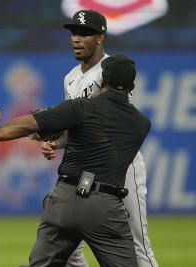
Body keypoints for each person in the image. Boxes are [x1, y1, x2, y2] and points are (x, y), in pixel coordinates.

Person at [0, 53, 150, 266]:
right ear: (132, 85)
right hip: (105, 205)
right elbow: (99, 132)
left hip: (64, 199)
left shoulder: (80, 107)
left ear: (102, 80)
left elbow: (28, 125)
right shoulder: (141, 124)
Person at [41, 10, 158, 267]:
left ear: (101, 38)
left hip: (120, 168)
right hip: (82, 169)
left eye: (84, 33)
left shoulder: (114, 73)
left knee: (138, 246)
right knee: (69, 248)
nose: (76, 38)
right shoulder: (70, 78)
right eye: (74, 32)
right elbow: (80, 129)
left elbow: (114, 124)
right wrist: (57, 142)